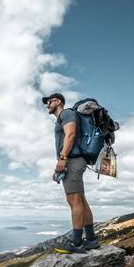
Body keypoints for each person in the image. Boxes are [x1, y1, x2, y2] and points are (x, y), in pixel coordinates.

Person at [43, 92, 100, 253]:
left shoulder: (66, 113)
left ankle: (77, 243)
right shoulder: (64, 116)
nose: (47, 105)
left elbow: (71, 134)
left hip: (72, 160)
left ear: (58, 101)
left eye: (49, 101)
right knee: (81, 200)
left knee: (74, 201)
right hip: (75, 160)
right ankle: (90, 239)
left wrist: (62, 158)